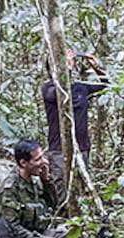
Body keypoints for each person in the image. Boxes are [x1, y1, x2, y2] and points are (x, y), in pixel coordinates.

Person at [41, 49, 109, 206]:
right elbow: (60, 94)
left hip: (82, 147)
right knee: (62, 193)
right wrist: (67, 69)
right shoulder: (48, 89)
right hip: (60, 150)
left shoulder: (80, 87)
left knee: (79, 190)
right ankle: (60, 225)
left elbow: (106, 85)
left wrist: (96, 68)